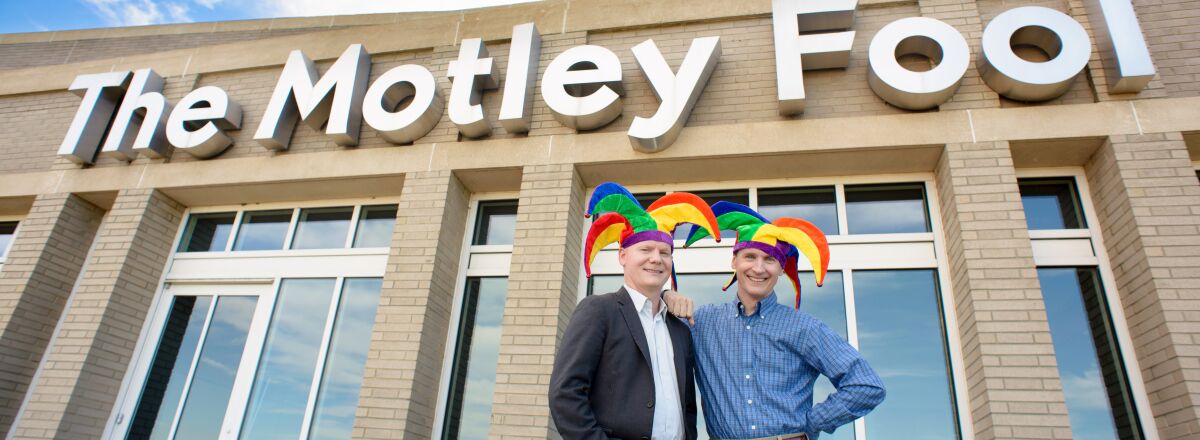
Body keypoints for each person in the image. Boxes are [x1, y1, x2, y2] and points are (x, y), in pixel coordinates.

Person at [666, 201, 885, 440]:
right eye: (750, 256)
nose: (758, 268)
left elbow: (866, 385)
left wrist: (811, 423)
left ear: (781, 268)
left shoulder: (804, 327)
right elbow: (650, 325)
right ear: (734, 262)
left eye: (770, 259)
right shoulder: (702, 323)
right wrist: (666, 295)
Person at [550, 182, 721, 440]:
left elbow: (687, 406)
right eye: (645, 249)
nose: (656, 258)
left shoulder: (680, 329)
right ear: (622, 256)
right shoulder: (599, 311)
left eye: (664, 252)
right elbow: (566, 394)